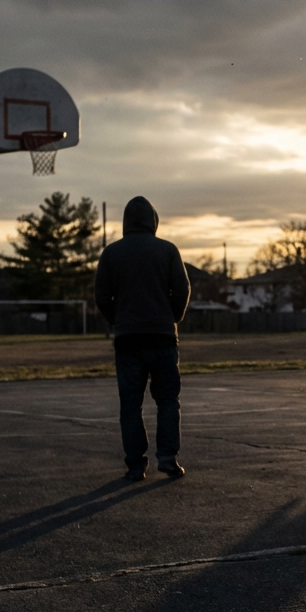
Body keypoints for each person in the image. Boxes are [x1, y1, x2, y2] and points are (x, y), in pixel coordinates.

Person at [95, 196, 191, 480]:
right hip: (162, 337)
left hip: (128, 339)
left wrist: (118, 319)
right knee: (167, 399)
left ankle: (136, 463)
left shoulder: (111, 253)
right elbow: (182, 290)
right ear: (154, 221)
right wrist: (171, 317)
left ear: (125, 222)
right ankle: (167, 457)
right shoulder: (168, 250)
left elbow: (101, 296)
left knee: (130, 404)